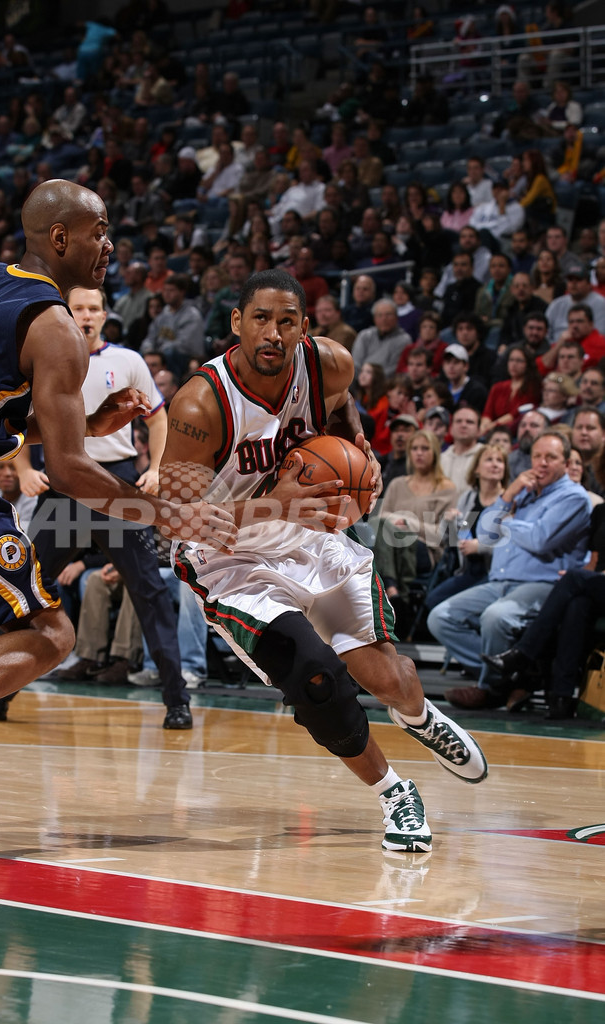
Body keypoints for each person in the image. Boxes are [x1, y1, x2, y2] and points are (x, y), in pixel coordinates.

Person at [0, 179, 235, 827]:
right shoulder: (55, 324)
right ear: (61, 238)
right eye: (100, 231)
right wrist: (167, 515)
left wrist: (88, 424)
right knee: (50, 630)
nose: (110, 245)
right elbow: (67, 471)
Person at [160, 268, 487, 853]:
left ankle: (418, 716)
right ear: (236, 323)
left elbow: (340, 407)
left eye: (287, 321)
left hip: (310, 536)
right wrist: (272, 505)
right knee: (314, 677)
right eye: (261, 318)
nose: (273, 333)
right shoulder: (200, 404)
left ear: (304, 327)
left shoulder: (329, 363)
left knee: (389, 680)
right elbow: (175, 520)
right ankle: (395, 791)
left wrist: (359, 450)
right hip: (230, 558)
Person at [18, 284, 197, 727]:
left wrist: (157, 467)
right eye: (78, 308)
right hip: (63, 485)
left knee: (150, 593)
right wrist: (22, 469)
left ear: (103, 315)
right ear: (66, 313)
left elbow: (158, 418)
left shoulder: (129, 360)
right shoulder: (45, 357)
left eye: (93, 308)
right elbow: (13, 421)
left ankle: (177, 700)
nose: (86, 315)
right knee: (23, 589)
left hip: (115, 486)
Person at [428, 431, 591, 709]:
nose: (542, 463)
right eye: (537, 456)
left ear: (565, 463)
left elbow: (540, 539)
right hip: (500, 581)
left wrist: (507, 522)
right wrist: (507, 495)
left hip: (543, 584)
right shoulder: (523, 491)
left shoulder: (573, 497)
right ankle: (516, 676)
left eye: (551, 457)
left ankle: (490, 689)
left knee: (495, 617)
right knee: (441, 617)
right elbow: (485, 533)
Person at [483, 498, 605, 719]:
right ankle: (561, 697)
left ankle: (523, 654)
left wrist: (579, 577)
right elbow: (595, 562)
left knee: (573, 579)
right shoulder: (601, 511)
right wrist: (584, 576)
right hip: (599, 586)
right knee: (577, 604)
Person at [373, 429, 456, 609]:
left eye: (425, 448)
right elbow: (380, 519)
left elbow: (442, 535)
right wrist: (396, 524)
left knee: (384, 533)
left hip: (425, 549)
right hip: (391, 545)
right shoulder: (397, 484)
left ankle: (388, 590)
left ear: (435, 452)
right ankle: (393, 591)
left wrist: (408, 523)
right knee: (377, 527)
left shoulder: (447, 488)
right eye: (415, 448)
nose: (419, 453)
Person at [425, 443, 509, 612]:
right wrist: (448, 522)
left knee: (453, 607)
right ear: (476, 469)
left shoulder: (508, 500)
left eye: (500, 461)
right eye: (489, 460)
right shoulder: (468, 498)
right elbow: (448, 541)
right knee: (432, 601)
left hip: (494, 573)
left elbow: (511, 544)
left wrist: (481, 547)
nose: (495, 464)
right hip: (468, 571)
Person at [480, 345, 542, 436]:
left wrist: (491, 427)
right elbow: (487, 414)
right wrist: (483, 427)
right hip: (491, 431)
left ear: (528, 364)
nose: (514, 364)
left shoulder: (532, 388)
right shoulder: (497, 387)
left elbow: (514, 415)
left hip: (514, 432)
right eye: (511, 360)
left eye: (519, 361)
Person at [351, 299, 412, 378]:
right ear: (374, 318)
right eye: (379, 315)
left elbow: (393, 369)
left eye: (388, 315)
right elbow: (355, 364)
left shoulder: (404, 340)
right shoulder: (364, 335)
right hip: (360, 380)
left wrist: (370, 379)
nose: (384, 319)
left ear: (396, 317)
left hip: (385, 382)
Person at [440, 406, 484, 493]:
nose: (463, 425)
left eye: (469, 422)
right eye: (458, 421)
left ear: (479, 430)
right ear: (450, 429)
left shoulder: (486, 457)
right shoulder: (440, 459)